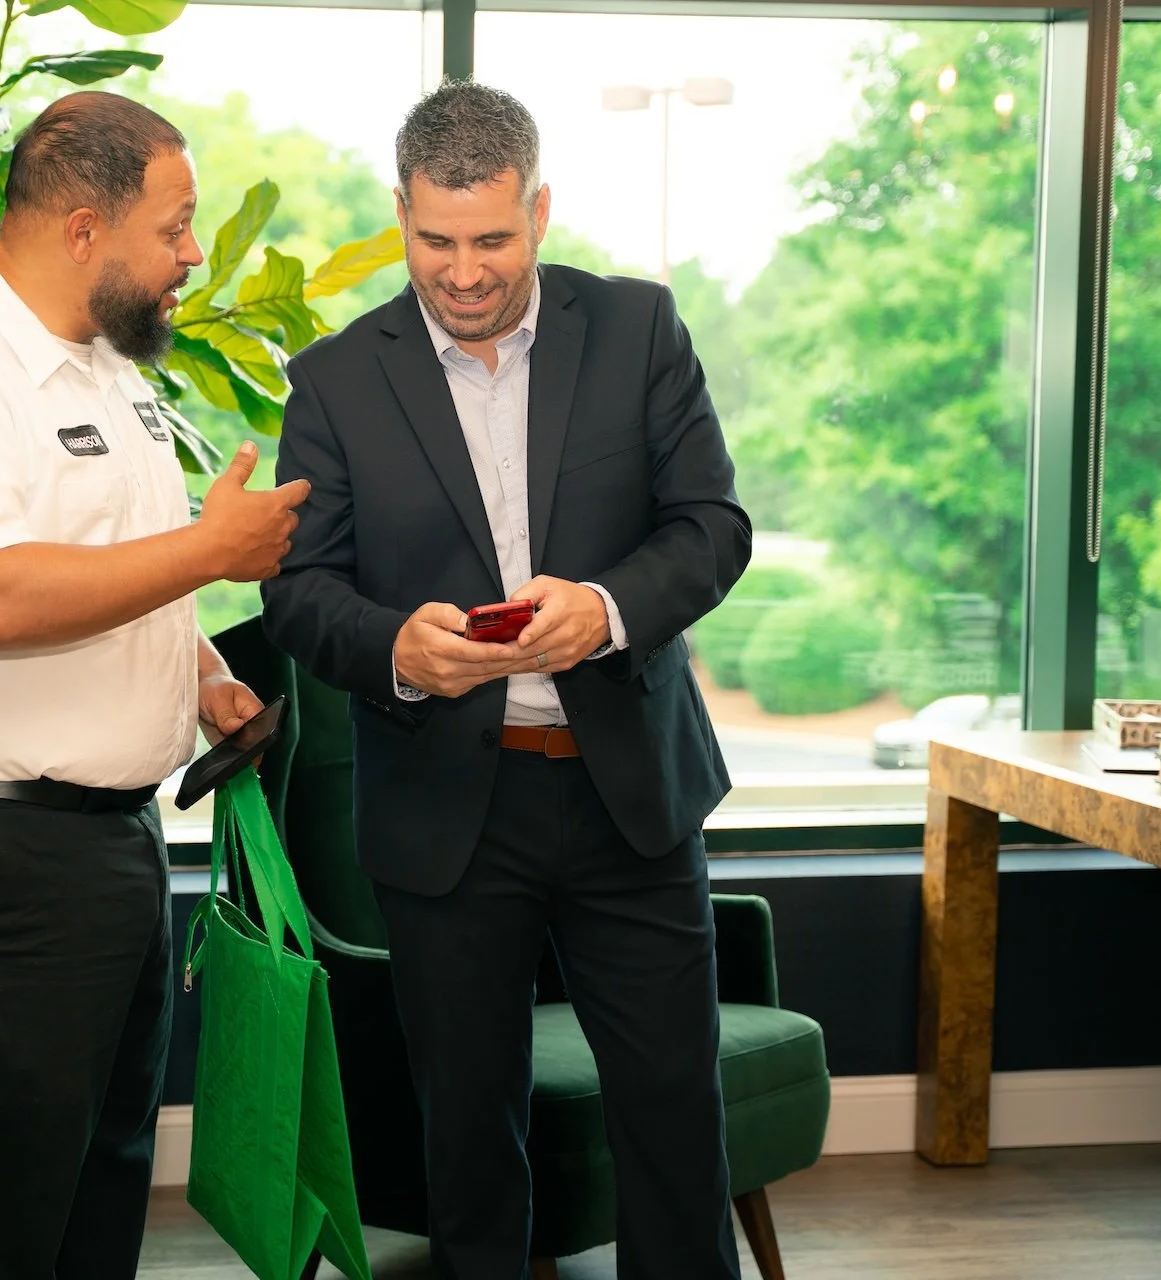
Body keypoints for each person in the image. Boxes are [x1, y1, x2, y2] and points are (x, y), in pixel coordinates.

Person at [260, 81, 752, 1280]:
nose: (464, 271)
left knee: (675, 1126)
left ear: (539, 209)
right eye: (436, 239)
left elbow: (713, 527)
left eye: (492, 238)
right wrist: (396, 650)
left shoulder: (639, 328)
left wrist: (608, 609)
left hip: (627, 797)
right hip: (447, 820)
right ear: (400, 213)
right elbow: (298, 592)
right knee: (470, 1142)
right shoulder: (332, 381)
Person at [0, 91, 310, 1279]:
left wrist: (196, 668)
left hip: (110, 853)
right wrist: (213, 550)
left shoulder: (109, 366)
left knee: (96, 1201)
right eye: (177, 224)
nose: (193, 253)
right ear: (85, 229)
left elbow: (106, 563)